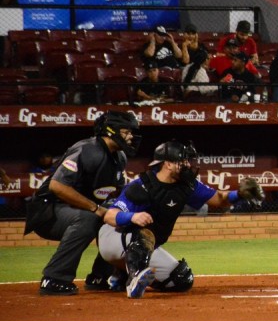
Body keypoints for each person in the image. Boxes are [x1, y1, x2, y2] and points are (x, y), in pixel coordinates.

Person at [97, 140, 263, 298]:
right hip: (113, 237)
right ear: (168, 164)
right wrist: (132, 216)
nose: (188, 165)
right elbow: (109, 216)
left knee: (181, 279)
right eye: (182, 161)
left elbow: (219, 199)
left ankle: (123, 273)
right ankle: (132, 280)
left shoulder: (187, 185)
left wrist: (239, 194)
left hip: (144, 246)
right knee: (144, 233)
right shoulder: (142, 185)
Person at [24, 111, 141, 295]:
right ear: (110, 131)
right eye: (126, 132)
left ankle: (101, 277)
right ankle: (54, 278)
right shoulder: (87, 149)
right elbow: (57, 186)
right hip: (47, 210)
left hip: (75, 209)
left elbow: (117, 193)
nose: (131, 137)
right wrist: (96, 208)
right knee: (89, 218)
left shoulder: (119, 158)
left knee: (118, 218)